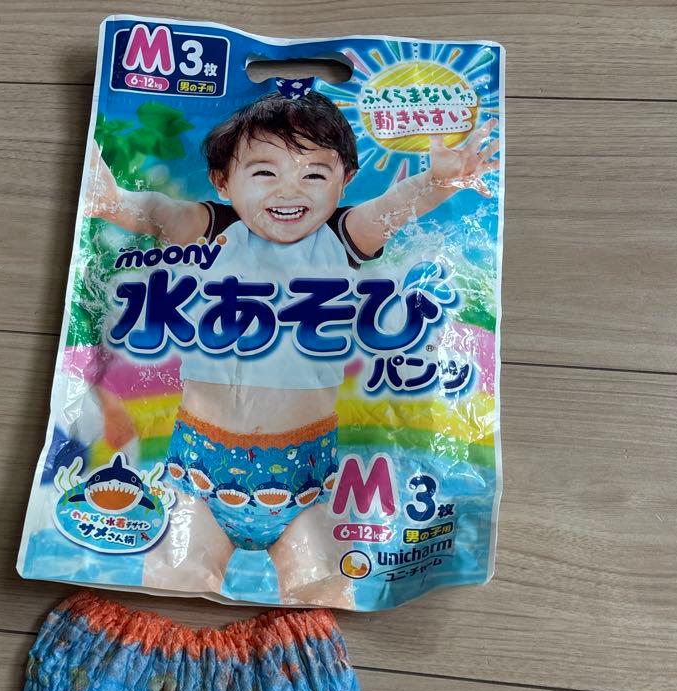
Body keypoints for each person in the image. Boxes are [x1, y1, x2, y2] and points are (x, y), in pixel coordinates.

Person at [86, 84, 498, 604]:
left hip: (305, 485)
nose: (290, 191)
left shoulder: (343, 237)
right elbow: (161, 215)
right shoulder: (211, 228)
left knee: (323, 593)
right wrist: (114, 203)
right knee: (173, 585)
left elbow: (393, 209)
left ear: (345, 182)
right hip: (199, 476)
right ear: (223, 180)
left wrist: (437, 183)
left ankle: (303, 653)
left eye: (314, 175)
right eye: (265, 173)